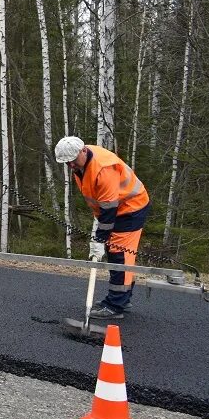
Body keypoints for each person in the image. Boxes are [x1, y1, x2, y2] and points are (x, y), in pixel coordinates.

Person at [54, 136, 151, 319]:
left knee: (119, 255)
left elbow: (108, 210)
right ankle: (122, 298)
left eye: (73, 161)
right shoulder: (81, 160)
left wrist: (99, 238)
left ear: (83, 151)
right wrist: (101, 237)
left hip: (130, 209)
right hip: (116, 209)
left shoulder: (103, 169)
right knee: (117, 253)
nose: (71, 166)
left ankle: (115, 306)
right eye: (67, 163)